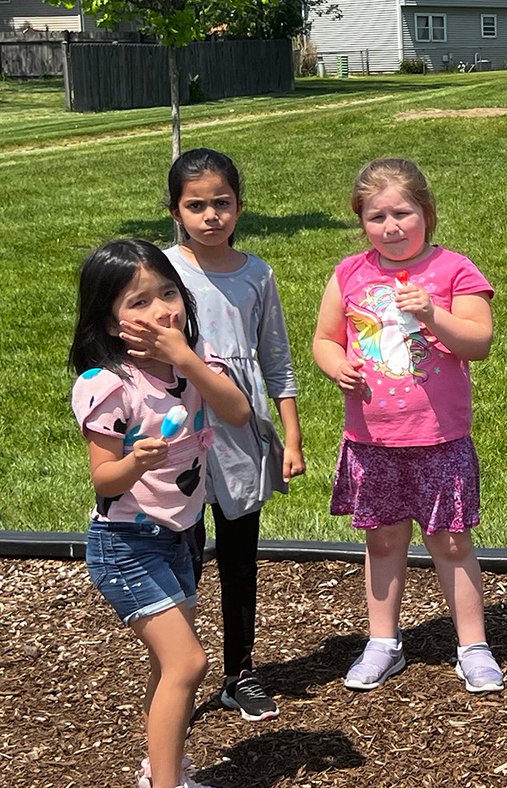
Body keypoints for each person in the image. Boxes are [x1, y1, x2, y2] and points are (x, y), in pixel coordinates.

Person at [69, 239, 251, 788]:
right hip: (126, 543)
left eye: (168, 294)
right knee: (188, 663)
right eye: (139, 302)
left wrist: (188, 358)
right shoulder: (107, 384)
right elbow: (103, 481)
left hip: (178, 536)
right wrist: (133, 461)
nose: (161, 311)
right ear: (110, 321)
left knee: (164, 666)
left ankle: (166, 780)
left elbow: (236, 409)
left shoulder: (193, 361)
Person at [312, 158, 503, 694]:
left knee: (452, 543)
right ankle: (382, 642)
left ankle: (473, 645)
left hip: (439, 438)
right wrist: (335, 365)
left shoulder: (453, 270)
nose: (391, 226)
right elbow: (325, 338)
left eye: (403, 212)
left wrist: (432, 315)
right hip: (372, 440)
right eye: (376, 217)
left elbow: (479, 342)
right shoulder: (349, 273)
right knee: (383, 541)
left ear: (427, 213)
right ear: (361, 222)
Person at [165, 148, 306, 722]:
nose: (210, 216)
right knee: (183, 556)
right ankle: (179, 673)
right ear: (176, 210)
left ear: (240, 207)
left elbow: (277, 359)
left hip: (242, 430)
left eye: (221, 203)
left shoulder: (257, 274)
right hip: (181, 430)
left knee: (240, 553)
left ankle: (240, 672)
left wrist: (291, 437)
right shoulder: (162, 270)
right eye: (196, 205)